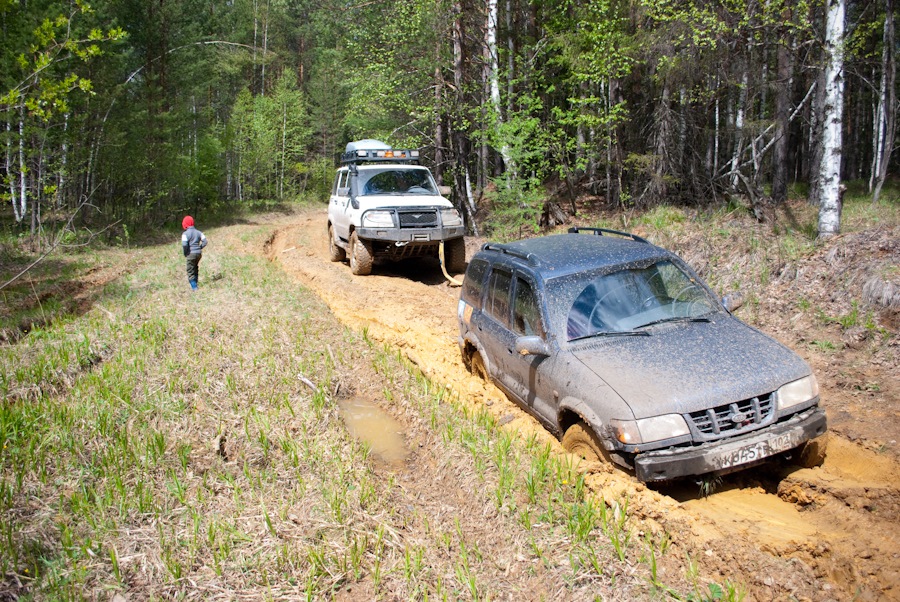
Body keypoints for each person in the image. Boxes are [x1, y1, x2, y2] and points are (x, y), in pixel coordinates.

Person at [181, 215, 208, 290]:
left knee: (190, 270)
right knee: (195, 267)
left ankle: (194, 287)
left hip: (190, 254)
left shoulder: (185, 234)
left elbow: (184, 244)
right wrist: (200, 247)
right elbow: (205, 241)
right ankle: (196, 282)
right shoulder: (199, 232)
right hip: (199, 253)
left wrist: (186, 252)